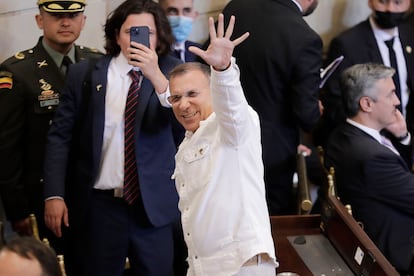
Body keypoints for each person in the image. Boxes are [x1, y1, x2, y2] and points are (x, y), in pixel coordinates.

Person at [43, 0, 184, 275]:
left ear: (159, 35)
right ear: (117, 35)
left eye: (148, 32)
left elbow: (186, 129)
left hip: (153, 208)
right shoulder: (84, 73)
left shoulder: (174, 73)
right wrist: (54, 194)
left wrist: (156, 77)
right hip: (100, 206)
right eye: (131, 31)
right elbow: (60, 137)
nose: (139, 39)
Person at [168, 14, 277, 276]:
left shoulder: (232, 128)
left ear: (213, 91)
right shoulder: (188, 142)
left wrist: (222, 70)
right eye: (176, 98)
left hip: (241, 265)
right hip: (203, 266)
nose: (183, 104)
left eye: (193, 94)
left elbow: (231, 104)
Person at [0, 0, 102, 251]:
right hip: (40, 198)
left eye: (73, 15)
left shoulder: (97, 64)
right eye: (56, 16)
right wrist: (18, 210)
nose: (66, 22)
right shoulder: (18, 72)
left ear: (83, 21)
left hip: (91, 197)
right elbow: (6, 149)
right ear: (39, 20)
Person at [221, 0, 323, 215]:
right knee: (267, 226)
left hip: (224, 138)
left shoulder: (235, 8)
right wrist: (316, 109)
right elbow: (306, 115)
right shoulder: (306, 38)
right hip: (271, 155)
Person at [325, 63, 414, 274]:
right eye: (391, 94)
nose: (397, 101)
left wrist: (402, 137)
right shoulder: (373, 158)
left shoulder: (341, 135)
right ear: (366, 104)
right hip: (400, 253)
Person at [316, 0, 414, 147]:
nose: (390, 9)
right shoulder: (347, 44)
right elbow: (335, 103)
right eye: (382, 1)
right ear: (370, 1)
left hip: (406, 140)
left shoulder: (410, 35)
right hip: (367, 145)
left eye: (398, 2)